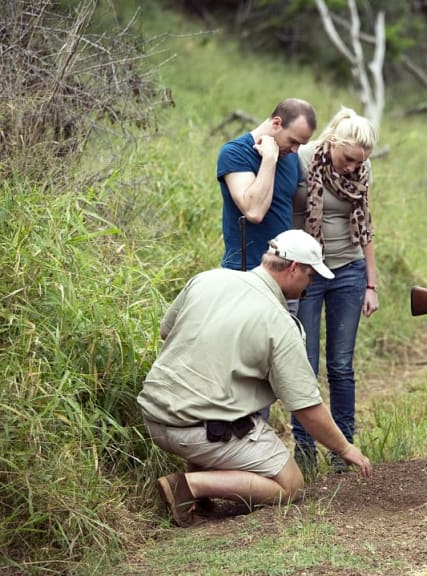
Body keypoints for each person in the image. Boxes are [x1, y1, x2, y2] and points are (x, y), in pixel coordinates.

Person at [138, 230, 374, 527]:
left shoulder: (208, 279)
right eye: (310, 276)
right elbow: (305, 408)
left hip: (155, 414)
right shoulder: (280, 323)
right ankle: (187, 487)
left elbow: (166, 332)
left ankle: (198, 487)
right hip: (197, 429)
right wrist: (345, 449)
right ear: (293, 269)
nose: (309, 284)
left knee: (223, 396)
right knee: (290, 484)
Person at [289, 107, 380, 472]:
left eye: (360, 162)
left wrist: (371, 283)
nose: (352, 168)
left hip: (348, 269)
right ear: (332, 143)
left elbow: (366, 225)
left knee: (341, 365)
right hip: (307, 272)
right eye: (348, 159)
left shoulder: (362, 169)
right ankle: (304, 449)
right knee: (303, 365)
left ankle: (343, 449)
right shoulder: (301, 159)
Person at [217, 98, 317, 272]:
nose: (295, 150)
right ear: (277, 123)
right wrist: (269, 159)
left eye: (300, 145)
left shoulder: (291, 156)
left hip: (284, 270)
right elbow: (254, 212)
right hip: (246, 270)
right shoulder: (235, 153)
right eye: (293, 141)